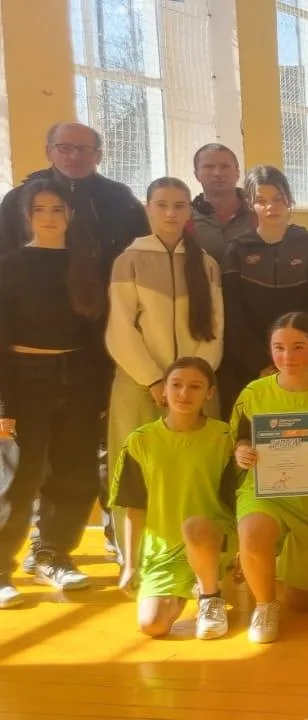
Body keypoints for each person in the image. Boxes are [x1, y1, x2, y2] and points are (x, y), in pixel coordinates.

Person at [0, 179, 109, 604]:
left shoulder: (86, 266)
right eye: (40, 210)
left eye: (57, 209)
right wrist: (4, 403)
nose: (49, 218)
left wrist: (100, 394)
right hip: (26, 381)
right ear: (27, 216)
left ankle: (52, 554)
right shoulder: (9, 266)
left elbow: (97, 336)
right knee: (19, 477)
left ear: (70, 215)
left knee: (75, 472)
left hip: (78, 379)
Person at [106, 178, 225, 552]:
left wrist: (194, 381)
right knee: (136, 472)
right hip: (140, 384)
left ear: (190, 210)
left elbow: (216, 330)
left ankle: (197, 552)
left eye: (179, 205)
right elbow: (120, 328)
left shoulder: (206, 264)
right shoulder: (128, 260)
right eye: (162, 205)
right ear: (148, 209)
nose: (171, 213)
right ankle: (135, 557)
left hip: (195, 387)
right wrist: (155, 380)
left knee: (199, 470)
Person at [228, 313, 308, 643]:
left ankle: (277, 561)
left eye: (298, 347)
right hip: (264, 492)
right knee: (253, 533)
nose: (287, 356)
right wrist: (242, 451)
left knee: (303, 604)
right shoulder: (254, 392)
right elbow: (240, 437)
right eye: (278, 347)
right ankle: (265, 604)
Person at [111, 357, 237, 639]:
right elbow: (134, 507)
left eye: (195, 386)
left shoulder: (224, 437)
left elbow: (238, 497)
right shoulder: (140, 441)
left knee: (195, 527)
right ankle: (192, 584)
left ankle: (210, 597)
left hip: (212, 537)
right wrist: (130, 564)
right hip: (164, 551)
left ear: (209, 393)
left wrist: (241, 551)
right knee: (152, 625)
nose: (184, 393)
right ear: (163, 390)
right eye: (176, 385)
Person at [220, 166, 308, 412]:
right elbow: (233, 316)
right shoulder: (237, 249)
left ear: (289, 199)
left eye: (278, 199)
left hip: (301, 364)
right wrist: (260, 363)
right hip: (251, 369)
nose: (271, 207)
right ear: (250, 204)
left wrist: (299, 356)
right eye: (261, 201)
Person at [0, 122, 148, 265]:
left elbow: (141, 255)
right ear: (49, 152)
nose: (75, 156)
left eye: (85, 149)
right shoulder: (18, 199)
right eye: (65, 148)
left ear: (98, 155)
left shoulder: (121, 199)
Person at [188, 143, 252, 262]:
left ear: (237, 173)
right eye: (209, 167)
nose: (217, 173)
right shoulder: (185, 217)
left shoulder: (257, 212)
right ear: (196, 175)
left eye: (225, 166)